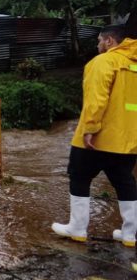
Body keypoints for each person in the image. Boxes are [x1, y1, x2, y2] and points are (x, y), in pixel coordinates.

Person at [51, 24, 137, 246]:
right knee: (125, 182)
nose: (98, 44)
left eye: (100, 40)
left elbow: (96, 99)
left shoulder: (102, 62)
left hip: (98, 138)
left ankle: (77, 229)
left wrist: (90, 128)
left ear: (109, 41)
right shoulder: (133, 64)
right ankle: (129, 235)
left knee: (79, 177)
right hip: (128, 139)